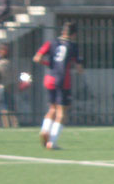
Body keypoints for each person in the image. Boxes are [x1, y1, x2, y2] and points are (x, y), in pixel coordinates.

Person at [34, 20, 82, 150]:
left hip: (49, 78)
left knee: (52, 109)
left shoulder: (52, 43)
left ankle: (45, 130)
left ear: (62, 31)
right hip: (63, 80)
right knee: (62, 113)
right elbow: (79, 68)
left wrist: (50, 64)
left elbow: (37, 58)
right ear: (74, 34)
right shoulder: (73, 46)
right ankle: (52, 142)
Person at [0, 42, 19, 127]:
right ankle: (10, 124)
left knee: (6, 106)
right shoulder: (4, 62)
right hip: (5, 86)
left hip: (4, 86)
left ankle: (9, 124)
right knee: (7, 106)